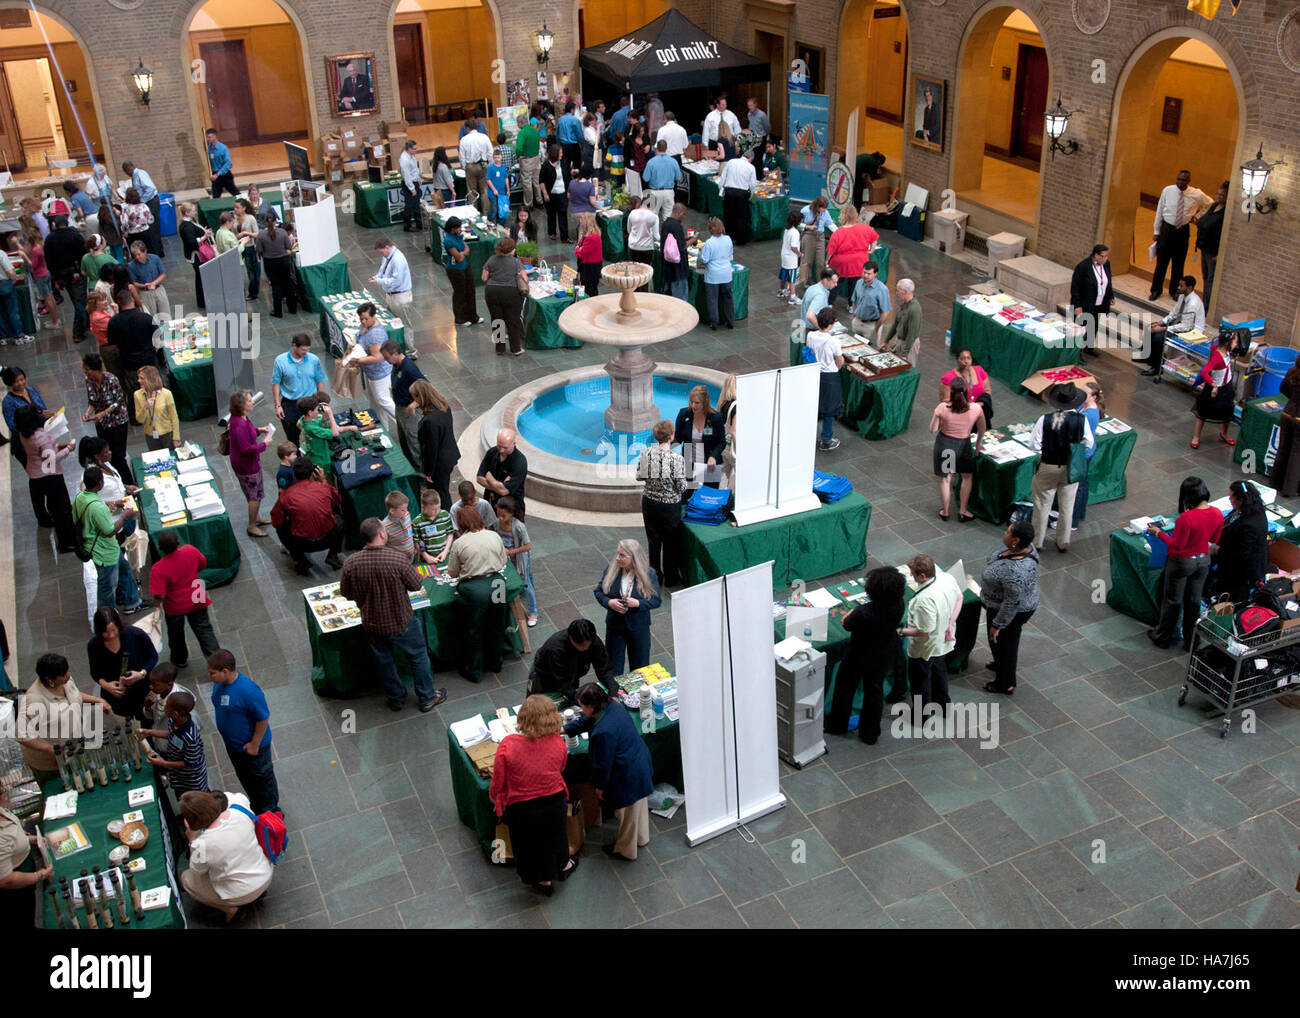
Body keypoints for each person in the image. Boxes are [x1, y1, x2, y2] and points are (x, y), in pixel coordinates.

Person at [339, 517, 446, 712]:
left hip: (372, 623)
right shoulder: (397, 559)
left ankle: (396, 698)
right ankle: (427, 697)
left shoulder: (351, 563)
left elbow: (346, 593)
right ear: (381, 534)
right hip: (401, 621)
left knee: (384, 662)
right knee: (419, 657)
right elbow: (416, 584)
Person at [490, 695, 577, 896]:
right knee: (556, 837)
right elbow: (561, 767)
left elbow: (498, 781)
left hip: (522, 807)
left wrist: (495, 798)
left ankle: (542, 881)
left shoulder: (508, 744)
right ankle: (562, 866)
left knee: (528, 845)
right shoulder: (558, 742)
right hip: (554, 802)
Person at [563, 683, 654, 861]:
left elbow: (602, 765)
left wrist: (600, 787)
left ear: (591, 707)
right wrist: (565, 729)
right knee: (638, 807)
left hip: (627, 775)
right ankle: (641, 838)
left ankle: (626, 851)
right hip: (639, 764)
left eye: (582, 706)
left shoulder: (603, 733)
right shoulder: (612, 705)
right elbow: (588, 720)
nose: (581, 709)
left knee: (626, 814)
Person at [825, 567, 905, 743]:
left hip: (860, 653)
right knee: (874, 691)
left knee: (845, 686)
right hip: (884, 652)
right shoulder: (899, 605)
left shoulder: (864, 612)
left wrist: (850, 614)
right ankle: (870, 733)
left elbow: (846, 624)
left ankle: (837, 724)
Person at [1147, 476, 1221, 651]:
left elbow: (1177, 545)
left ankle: (1163, 637)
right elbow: (1214, 538)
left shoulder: (1186, 519)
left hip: (1181, 563)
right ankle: (1192, 641)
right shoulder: (1217, 513)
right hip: (1203, 561)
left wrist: (1158, 533)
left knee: (1173, 601)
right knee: (1194, 601)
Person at [179, 790, 274, 923]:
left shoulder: (201, 843)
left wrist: (192, 839)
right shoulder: (239, 812)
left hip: (242, 892)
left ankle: (229, 909)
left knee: (187, 880)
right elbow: (234, 796)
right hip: (265, 874)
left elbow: (197, 870)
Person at [18, 653, 108, 789]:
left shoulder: (64, 680)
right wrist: (51, 749)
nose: (69, 675)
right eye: (64, 674)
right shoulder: (34, 700)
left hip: (73, 748)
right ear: (49, 679)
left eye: (67, 671)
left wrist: (98, 700)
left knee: (86, 783)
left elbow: (74, 695)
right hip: (52, 763)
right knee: (64, 790)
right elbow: (21, 735)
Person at [207, 650, 279, 816]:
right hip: (234, 746)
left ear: (225, 671)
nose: (209, 676)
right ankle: (257, 804)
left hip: (253, 748)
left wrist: (255, 744)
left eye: (212, 673)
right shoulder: (219, 685)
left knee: (262, 779)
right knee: (246, 777)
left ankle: (271, 812)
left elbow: (263, 718)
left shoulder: (249, 691)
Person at [1027, 383, 1094, 554]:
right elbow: (1089, 443)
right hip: (1070, 468)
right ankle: (1063, 542)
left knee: (1042, 505)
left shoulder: (1045, 419)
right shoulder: (1081, 420)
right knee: (1067, 506)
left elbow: (1033, 444)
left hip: (1048, 466)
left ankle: (1037, 542)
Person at [446, 507, 509, 682]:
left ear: (461, 523)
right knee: (497, 625)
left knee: (473, 631)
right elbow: (503, 561)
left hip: (474, 590)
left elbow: (452, 573)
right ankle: (495, 663)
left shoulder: (459, 543)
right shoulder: (494, 535)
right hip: (497, 584)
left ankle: (473, 671)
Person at [979, 519, 1039, 696]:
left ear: (1016, 540)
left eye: (1008, 531)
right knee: (1003, 642)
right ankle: (1001, 664)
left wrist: (998, 624)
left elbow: (1011, 602)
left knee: (1003, 643)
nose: (1005, 533)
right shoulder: (1026, 548)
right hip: (1006, 603)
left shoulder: (1015, 571)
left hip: (1010, 611)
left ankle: (1005, 683)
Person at [149, 529, 221, 667]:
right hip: (196, 595)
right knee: (204, 629)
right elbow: (202, 564)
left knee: (175, 633)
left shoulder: (158, 569)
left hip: (175, 606)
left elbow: (159, 594)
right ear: (178, 542)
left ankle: (179, 659)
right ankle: (217, 661)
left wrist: (157, 605)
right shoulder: (190, 550)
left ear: (160, 548)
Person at [899, 554, 961, 711]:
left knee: (920, 683)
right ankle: (943, 706)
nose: (912, 577)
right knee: (939, 673)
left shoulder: (924, 600)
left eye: (913, 574)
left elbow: (924, 631)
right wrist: (950, 623)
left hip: (925, 648)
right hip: (942, 641)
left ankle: (921, 716)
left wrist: (900, 631)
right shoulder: (947, 578)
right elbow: (959, 598)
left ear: (922, 576)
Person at [14, 405, 77, 550]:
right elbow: (50, 460)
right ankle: (66, 542)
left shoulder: (23, 433)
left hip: (34, 474)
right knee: (61, 509)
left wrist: (56, 446)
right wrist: (68, 449)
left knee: (52, 507)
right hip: (50, 476)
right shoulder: (40, 436)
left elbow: (40, 451)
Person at [594, 539, 661, 675]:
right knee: (613, 666)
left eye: (622, 555)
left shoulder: (649, 574)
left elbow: (656, 600)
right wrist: (609, 602)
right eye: (617, 554)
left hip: (638, 627)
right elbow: (598, 592)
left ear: (633, 557)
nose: (617, 558)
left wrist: (638, 603)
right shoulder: (611, 570)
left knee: (640, 667)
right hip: (615, 626)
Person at [270, 458, 344, 573]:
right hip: (328, 538)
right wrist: (323, 480)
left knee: (281, 528)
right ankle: (333, 555)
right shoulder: (323, 487)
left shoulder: (286, 495)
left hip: (301, 543)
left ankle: (300, 560)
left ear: (294, 475)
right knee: (340, 519)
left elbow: (276, 521)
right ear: (312, 473)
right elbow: (337, 500)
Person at [636, 420, 686, 587]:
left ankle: (655, 575)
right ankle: (671, 578)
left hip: (649, 503)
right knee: (670, 543)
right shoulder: (676, 459)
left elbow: (639, 476)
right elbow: (682, 486)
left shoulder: (646, 453)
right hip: (670, 507)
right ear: (671, 436)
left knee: (654, 541)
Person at [930, 377, 986, 523]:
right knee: (967, 476)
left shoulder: (943, 408)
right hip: (964, 446)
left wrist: (940, 419)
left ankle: (945, 511)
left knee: (946, 478)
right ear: (966, 392)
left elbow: (933, 429)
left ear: (951, 392)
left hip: (946, 445)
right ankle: (963, 511)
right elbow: (982, 428)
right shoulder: (976, 408)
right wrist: (978, 443)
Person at [1150, 170, 1212, 301]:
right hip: (1167, 229)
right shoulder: (1167, 190)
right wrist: (1156, 231)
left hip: (1182, 231)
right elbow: (1159, 210)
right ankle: (1156, 290)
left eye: (1184, 180)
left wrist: (1197, 216)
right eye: (1178, 179)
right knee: (1161, 263)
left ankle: (1175, 291)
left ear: (1189, 181)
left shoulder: (1196, 194)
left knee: (1178, 264)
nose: (1180, 182)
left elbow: (1210, 204)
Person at [0, 779, 55, 927]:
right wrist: (40, 875)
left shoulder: (2, 811)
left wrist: (33, 839)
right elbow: (6, 880)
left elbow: (15, 833)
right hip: (15, 889)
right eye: (2, 791)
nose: (6, 792)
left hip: (25, 869)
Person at [86, 605, 157, 720]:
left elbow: (153, 657)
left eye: (114, 630)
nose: (111, 635)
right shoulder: (94, 645)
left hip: (140, 690)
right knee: (123, 720)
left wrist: (141, 673)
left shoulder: (135, 635)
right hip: (115, 695)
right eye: (106, 632)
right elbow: (95, 672)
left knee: (145, 719)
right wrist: (106, 685)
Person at [1209, 480, 1269, 605]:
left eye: (1231, 497)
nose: (1229, 500)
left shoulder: (1250, 525)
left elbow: (1240, 554)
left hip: (1241, 572)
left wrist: (1217, 550)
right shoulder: (1248, 510)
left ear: (1240, 500)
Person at [80, 353, 134, 484]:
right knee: (106, 455)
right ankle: (117, 481)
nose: (86, 373)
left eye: (87, 369)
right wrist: (88, 413)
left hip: (117, 422)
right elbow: (92, 401)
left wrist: (104, 413)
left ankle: (129, 483)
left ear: (96, 368)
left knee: (118, 456)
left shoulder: (111, 379)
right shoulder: (89, 381)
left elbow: (118, 401)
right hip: (102, 424)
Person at [141, 689, 209, 793]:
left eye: (167, 706)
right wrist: (150, 732)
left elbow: (189, 763)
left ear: (175, 713)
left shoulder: (190, 738)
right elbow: (171, 734)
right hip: (178, 776)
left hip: (191, 781)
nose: (164, 707)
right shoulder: (173, 720)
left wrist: (164, 763)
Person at [226, 390, 273, 538]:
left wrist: (259, 430)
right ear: (241, 405)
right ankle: (252, 525)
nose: (252, 402)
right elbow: (246, 449)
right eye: (249, 401)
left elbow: (249, 432)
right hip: (247, 466)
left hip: (245, 463)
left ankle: (256, 516)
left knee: (251, 493)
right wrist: (264, 444)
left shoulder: (241, 417)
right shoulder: (239, 424)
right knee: (255, 496)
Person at [530, 619, 615, 699]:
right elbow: (562, 683)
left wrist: (613, 692)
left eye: (587, 645)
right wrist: (580, 700)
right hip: (546, 677)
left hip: (572, 674)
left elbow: (604, 668)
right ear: (571, 638)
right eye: (581, 645)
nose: (585, 648)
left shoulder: (594, 641)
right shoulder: (555, 649)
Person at [1141, 275, 1205, 382]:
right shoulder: (1182, 297)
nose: (1179, 288)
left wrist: (1163, 329)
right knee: (1150, 329)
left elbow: (1186, 326)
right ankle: (1150, 359)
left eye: (1181, 286)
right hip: (1180, 324)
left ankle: (1156, 367)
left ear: (1189, 288)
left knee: (1158, 338)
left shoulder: (1193, 304)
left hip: (1190, 331)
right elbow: (1174, 313)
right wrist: (1160, 322)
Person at [107, 288, 157, 424]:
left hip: (128, 362)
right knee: (153, 387)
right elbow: (157, 338)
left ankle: (135, 418)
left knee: (134, 391)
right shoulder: (146, 318)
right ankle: (155, 413)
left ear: (118, 303)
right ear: (132, 300)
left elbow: (113, 344)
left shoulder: (114, 322)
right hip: (148, 360)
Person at [271, 333, 327, 445]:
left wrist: (322, 402)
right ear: (294, 345)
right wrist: (277, 405)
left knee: (316, 432)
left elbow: (320, 380)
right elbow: (276, 383)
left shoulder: (314, 360)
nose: (305, 353)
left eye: (307, 350)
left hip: (311, 401)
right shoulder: (280, 361)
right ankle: (295, 454)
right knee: (292, 436)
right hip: (290, 403)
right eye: (303, 350)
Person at [350, 301, 397, 436]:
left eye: (366, 319)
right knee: (376, 402)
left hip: (379, 373)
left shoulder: (375, 334)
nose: (363, 322)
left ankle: (403, 422)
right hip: (371, 373)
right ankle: (383, 427)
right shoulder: (366, 327)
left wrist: (356, 361)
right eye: (361, 319)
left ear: (373, 316)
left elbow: (377, 358)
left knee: (383, 400)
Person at [44, 214, 90, 342]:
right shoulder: (75, 236)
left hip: (61, 274)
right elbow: (84, 254)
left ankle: (85, 323)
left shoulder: (50, 239)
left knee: (77, 300)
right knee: (79, 301)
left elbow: (49, 262)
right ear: (67, 223)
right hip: (76, 272)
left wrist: (55, 278)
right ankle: (78, 331)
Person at [807, 307, 846, 451]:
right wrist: (836, 368)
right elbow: (840, 360)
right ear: (830, 324)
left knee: (815, 403)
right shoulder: (833, 341)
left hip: (814, 372)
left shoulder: (811, 335)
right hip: (830, 376)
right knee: (830, 408)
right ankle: (826, 440)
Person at [1066, 380, 1104, 531]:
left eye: (1085, 393)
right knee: (1083, 483)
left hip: (1082, 452)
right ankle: (1080, 514)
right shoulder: (1083, 405)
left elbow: (1078, 431)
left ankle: (1073, 521)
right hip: (1083, 449)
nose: (1080, 394)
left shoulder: (1090, 414)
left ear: (1094, 397)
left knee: (1078, 487)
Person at [482, 236, 529, 356]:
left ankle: (500, 348)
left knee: (497, 319)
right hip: (511, 293)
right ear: (512, 249)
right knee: (513, 320)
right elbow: (525, 279)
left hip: (492, 292)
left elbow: (484, 278)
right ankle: (516, 349)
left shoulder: (491, 259)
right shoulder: (516, 261)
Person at [1190, 331, 1237, 449]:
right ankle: (1196, 436)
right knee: (1203, 412)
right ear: (1227, 343)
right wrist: (1214, 386)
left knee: (1227, 410)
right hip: (1215, 387)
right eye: (1234, 342)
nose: (1236, 344)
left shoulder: (1227, 351)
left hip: (1226, 386)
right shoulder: (1217, 356)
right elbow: (1205, 372)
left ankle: (1224, 433)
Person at [495, 495, 536, 627]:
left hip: (520, 559)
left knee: (526, 585)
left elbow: (528, 546)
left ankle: (533, 612)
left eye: (503, 516)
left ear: (512, 514)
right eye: (498, 515)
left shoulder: (519, 526)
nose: (500, 518)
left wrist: (511, 552)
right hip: (506, 560)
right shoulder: (497, 523)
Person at [2, 365, 51, 473]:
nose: (20, 383)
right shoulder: (8, 402)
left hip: (42, 438)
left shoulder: (32, 390)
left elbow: (42, 408)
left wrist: (48, 416)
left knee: (50, 468)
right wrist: (38, 417)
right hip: (27, 446)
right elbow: (14, 427)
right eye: (16, 381)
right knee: (37, 472)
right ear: (10, 383)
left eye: (22, 379)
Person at [1069, 243, 1112, 358]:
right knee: (1080, 329)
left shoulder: (1106, 264)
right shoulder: (1083, 266)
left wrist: (1110, 296)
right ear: (1096, 255)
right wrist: (1077, 305)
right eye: (1103, 256)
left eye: (1107, 256)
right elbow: (1075, 287)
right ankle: (1076, 353)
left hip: (1098, 302)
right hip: (1084, 303)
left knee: (1094, 326)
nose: (1105, 259)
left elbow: (1108, 281)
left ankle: (1089, 348)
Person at [298, 393, 357, 470]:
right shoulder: (311, 428)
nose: (318, 411)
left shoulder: (304, 418)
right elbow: (335, 433)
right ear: (310, 412)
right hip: (320, 457)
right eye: (317, 409)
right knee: (324, 473)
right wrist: (330, 414)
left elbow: (298, 424)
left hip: (312, 450)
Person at [255, 212, 297, 318]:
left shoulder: (261, 235)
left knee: (275, 286)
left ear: (265, 222)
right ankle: (292, 308)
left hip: (270, 263)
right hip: (283, 261)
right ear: (275, 221)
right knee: (288, 284)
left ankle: (278, 312)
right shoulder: (282, 232)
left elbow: (259, 250)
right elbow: (289, 247)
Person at [442, 217, 482, 327]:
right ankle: (460, 318)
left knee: (470, 291)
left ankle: (473, 316)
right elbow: (458, 258)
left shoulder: (458, 236)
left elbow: (467, 249)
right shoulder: (448, 240)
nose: (460, 229)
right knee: (460, 293)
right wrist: (463, 253)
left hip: (465, 266)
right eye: (458, 227)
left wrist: (462, 253)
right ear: (452, 228)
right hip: (455, 270)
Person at [477, 428, 527, 514]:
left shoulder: (519, 462)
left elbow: (504, 491)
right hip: (491, 503)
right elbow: (479, 478)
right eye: (499, 445)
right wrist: (500, 485)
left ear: (514, 444)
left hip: (511, 510)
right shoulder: (492, 452)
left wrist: (490, 479)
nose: (501, 450)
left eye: (505, 447)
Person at [1195, 181, 1229, 306]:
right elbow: (1203, 221)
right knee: (1205, 277)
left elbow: (1222, 233)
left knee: (1210, 279)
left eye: (1222, 195)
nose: (1218, 196)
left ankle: (1207, 306)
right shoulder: (1214, 206)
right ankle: (1204, 302)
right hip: (1204, 247)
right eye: (1217, 194)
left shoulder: (1225, 212)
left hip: (1213, 252)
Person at [698, 217, 735, 330]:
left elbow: (705, 259)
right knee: (728, 298)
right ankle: (730, 320)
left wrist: (700, 253)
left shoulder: (709, 243)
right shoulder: (728, 239)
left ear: (710, 229)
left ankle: (714, 322)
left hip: (713, 275)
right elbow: (731, 255)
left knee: (712, 299)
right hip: (726, 273)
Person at [825, 205, 879, 282]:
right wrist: (871, 250)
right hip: (859, 263)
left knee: (836, 285)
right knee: (855, 286)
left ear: (843, 216)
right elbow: (874, 238)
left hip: (841, 265)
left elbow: (830, 251)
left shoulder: (838, 232)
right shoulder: (866, 228)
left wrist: (827, 261)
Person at [1271, 361, 1300, 498]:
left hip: (1287, 413)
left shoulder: (1292, 372)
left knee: (1283, 448)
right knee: (1296, 454)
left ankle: (1275, 482)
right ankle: (1289, 489)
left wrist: (1293, 399)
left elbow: (1282, 388)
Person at [134, 365, 180, 451]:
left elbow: (174, 417)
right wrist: (145, 407)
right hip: (150, 436)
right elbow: (140, 420)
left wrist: (176, 438)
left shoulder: (166, 394)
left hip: (167, 435)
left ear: (151, 379)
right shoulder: (137, 395)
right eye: (138, 378)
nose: (138, 380)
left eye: (141, 378)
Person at [939, 346, 991, 421]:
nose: (966, 361)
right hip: (960, 416)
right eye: (962, 359)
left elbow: (987, 391)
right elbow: (945, 401)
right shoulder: (948, 377)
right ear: (957, 360)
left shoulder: (979, 370)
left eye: (968, 358)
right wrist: (965, 407)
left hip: (979, 413)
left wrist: (979, 405)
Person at [177, 202, 211, 310]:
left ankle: (203, 300)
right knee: (200, 277)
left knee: (201, 277)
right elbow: (191, 242)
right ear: (187, 213)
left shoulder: (189, 222)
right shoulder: (186, 226)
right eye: (193, 210)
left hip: (197, 255)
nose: (195, 212)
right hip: (197, 256)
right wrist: (204, 236)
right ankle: (202, 301)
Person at [718, 153, 757, 246]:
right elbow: (752, 185)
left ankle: (729, 237)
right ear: (750, 158)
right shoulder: (751, 167)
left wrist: (721, 191)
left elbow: (723, 178)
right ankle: (741, 239)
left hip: (729, 192)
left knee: (728, 216)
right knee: (742, 216)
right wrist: (751, 195)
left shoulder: (731, 162)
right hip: (742, 194)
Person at [796, 196, 833, 293]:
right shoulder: (805, 210)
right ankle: (807, 283)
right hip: (809, 236)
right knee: (807, 262)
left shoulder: (825, 212)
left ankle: (820, 283)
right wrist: (808, 226)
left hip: (820, 237)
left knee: (820, 262)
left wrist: (840, 232)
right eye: (822, 208)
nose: (824, 210)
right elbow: (798, 223)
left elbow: (830, 224)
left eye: (825, 208)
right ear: (817, 206)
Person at [849, 259, 890, 342]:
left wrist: (877, 327)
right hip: (857, 322)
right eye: (864, 272)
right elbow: (854, 301)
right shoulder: (859, 283)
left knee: (870, 348)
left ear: (875, 274)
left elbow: (885, 311)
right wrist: (854, 316)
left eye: (869, 274)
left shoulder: (882, 289)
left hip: (871, 326)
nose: (865, 275)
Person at [459, 120, 493, 217]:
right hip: (483, 165)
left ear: (467, 128)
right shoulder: (484, 137)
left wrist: (465, 167)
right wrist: (490, 164)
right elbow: (490, 152)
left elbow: (462, 156)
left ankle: (474, 214)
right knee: (485, 190)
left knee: (471, 191)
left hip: (470, 166)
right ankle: (486, 214)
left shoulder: (464, 140)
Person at [412, 488, 454, 567]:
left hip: (445, 555)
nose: (437, 511)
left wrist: (445, 551)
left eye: (439, 507)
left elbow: (450, 534)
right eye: (433, 509)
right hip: (427, 559)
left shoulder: (445, 515)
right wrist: (426, 556)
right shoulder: (417, 522)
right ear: (423, 507)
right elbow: (417, 541)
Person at [879, 278, 920, 355]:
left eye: (898, 290)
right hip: (900, 340)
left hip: (909, 345)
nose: (896, 293)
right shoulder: (904, 304)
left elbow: (912, 334)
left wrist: (905, 354)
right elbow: (896, 323)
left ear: (905, 292)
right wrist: (886, 341)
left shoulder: (914, 309)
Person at [642, 140, 681, 221]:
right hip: (669, 192)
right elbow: (678, 178)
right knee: (668, 218)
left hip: (654, 192)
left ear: (657, 148)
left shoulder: (651, 162)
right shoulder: (673, 161)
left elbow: (646, 179)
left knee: (652, 217)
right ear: (666, 148)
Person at [540, 145, 570, 242]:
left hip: (562, 193)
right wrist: (545, 194)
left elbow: (567, 176)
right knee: (551, 214)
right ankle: (552, 232)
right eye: (560, 153)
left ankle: (564, 237)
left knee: (563, 214)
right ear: (555, 154)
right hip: (551, 194)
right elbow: (541, 181)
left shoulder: (564, 162)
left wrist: (569, 191)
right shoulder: (546, 165)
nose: (562, 154)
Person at [661, 203, 689, 301]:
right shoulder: (677, 226)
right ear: (679, 213)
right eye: (683, 214)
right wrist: (692, 240)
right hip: (678, 271)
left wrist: (685, 238)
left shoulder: (665, 224)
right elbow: (682, 247)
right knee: (680, 300)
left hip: (667, 268)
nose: (684, 217)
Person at [233, 198, 260, 300]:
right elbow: (233, 234)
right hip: (238, 247)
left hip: (249, 247)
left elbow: (257, 234)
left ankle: (253, 292)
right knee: (239, 270)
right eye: (235, 207)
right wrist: (238, 236)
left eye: (238, 207)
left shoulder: (250, 218)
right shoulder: (234, 219)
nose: (235, 209)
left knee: (251, 271)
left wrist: (246, 233)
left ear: (244, 208)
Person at [626, 196, 659, 278]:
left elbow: (629, 230)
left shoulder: (632, 213)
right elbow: (656, 236)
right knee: (644, 275)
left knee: (633, 274)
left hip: (633, 247)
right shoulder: (654, 216)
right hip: (646, 248)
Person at [513, 114, 542, 209]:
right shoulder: (535, 130)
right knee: (536, 181)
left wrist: (518, 156)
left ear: (520, 123)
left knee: (527, 183)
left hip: (526, 160)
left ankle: (529, 204)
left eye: (517, 123)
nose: (517, 125)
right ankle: (539, 201)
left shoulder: (522, 133)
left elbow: (518, 148)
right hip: (536, 158)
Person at [382, 489, 416, 563]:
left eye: (406, 508)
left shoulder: (407, 514)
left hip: (412, 557)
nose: (406, 511)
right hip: (397, 562)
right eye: (402, 510)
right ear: (392, 511)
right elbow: (383, 546)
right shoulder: (385, 526)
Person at [574, 211, 603, 297]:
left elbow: (580, 253)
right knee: (587, 287)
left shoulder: (592, 238)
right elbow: (579, 245)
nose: (581, 225)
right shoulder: (588, 235)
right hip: (588, 267)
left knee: (590, 290)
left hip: (590, 268)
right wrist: (579, 248)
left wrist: (578, 249)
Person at [396, 138, 422, 234]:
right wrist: (412, 188)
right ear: (409, 149)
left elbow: (414, 169)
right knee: (409, 206)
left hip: (414, 182)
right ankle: (407, 226)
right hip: (409, 185)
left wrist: (418, 178)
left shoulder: (411, 156)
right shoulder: (404, 160)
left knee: (416, 205)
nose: (416, 150)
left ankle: (419, 224)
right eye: (414, 149)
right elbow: (406, 176)